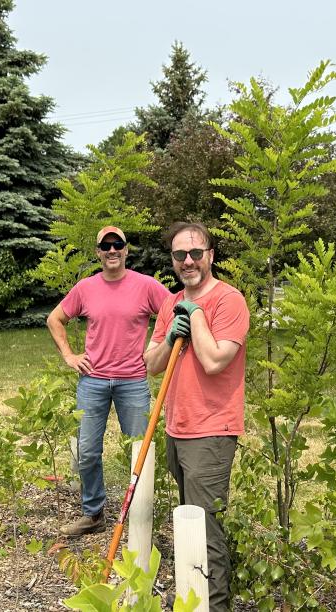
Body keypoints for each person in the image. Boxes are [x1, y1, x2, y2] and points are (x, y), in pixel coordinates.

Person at [144, 222, 249, 612]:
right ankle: (193, 596)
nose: (187, 261)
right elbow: (151, 364)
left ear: (210, 256)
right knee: (188, 522)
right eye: (179, 255)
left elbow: (215, 360)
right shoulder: (170, 304)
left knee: (206, 531)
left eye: (195, 253)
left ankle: (214, 605)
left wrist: (197, 316)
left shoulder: (229, 300)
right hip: (176, 427)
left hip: (212, 431)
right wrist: (172, 333)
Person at [47, 226, 171, 536]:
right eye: (106, 245)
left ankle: (140, 518)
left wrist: (156, 345)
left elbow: (172, 311)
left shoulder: (146, 286)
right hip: (93, 381)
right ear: (98, 252)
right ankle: (93, 514)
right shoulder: (86, 288)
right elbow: (54, 319)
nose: (112, 250)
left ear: (127, 250)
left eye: (118, 245)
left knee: (139, 451)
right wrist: (69, 356)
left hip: (133, 381)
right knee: (87, 450)